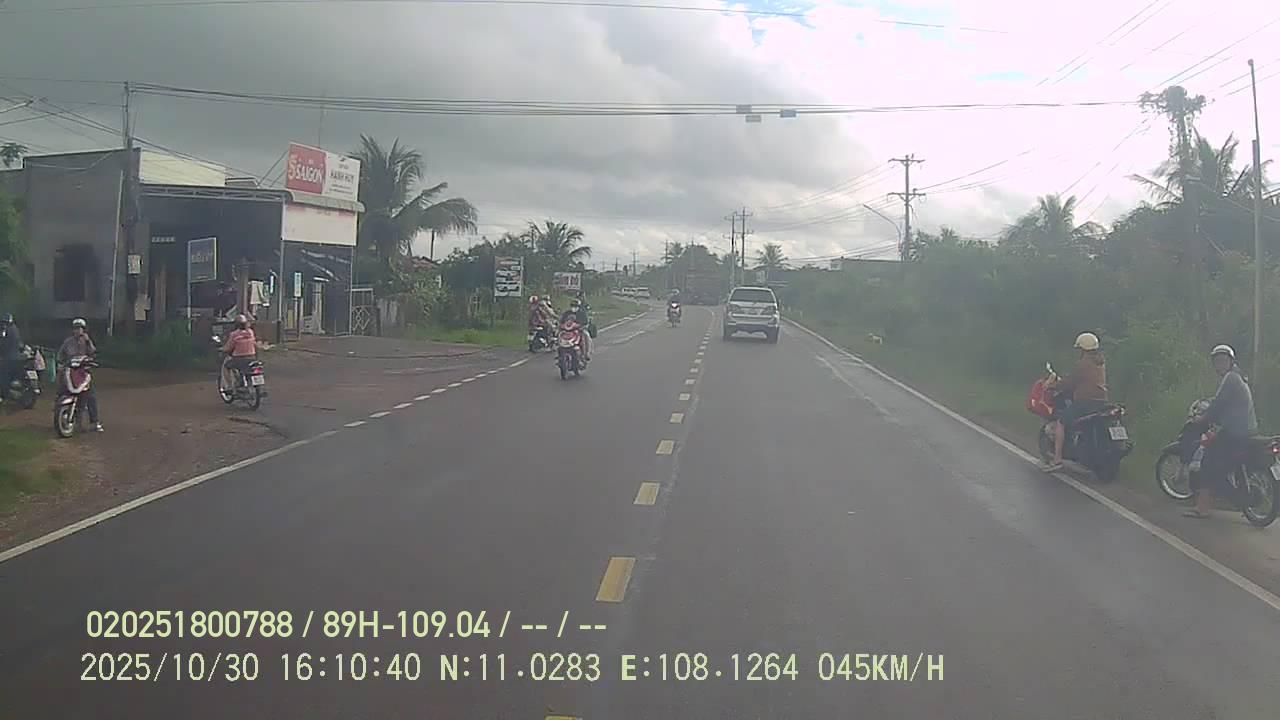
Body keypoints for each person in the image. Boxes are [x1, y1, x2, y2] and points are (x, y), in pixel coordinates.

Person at [1185, 344, 1257, 519]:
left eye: (1223, 361)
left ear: (1231, 361)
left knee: (1207, 463)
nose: (1220, 365)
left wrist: (1202, 419)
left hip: (1234, 432)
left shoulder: (1231, 378)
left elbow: (1217, 405)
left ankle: (1203, 508)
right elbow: (1221, 400)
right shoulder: (1238, 376)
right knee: (1218, 463)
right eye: (1217, 362)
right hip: (1246, 430)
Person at [1043, 332, 1109, 472]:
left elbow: (1070, 382)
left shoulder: (1082, 364)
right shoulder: (1100, 362)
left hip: (1085, 402)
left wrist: (1053, 385)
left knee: (1061, 422)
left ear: (1083, 349)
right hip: (1101, 401)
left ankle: (1057, 459)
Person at [56, 318, 102, 432]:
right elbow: (60, 355)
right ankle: (59, 410)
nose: (77, 330)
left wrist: (88, 343)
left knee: (91, 396)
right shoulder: (68, 342)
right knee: (62, 390)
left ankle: (95, 422)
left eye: (79, 328)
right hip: (70, 371)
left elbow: (93, 353)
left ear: (83, 330)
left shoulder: (87, 341)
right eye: (75, 328)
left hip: (83, 372)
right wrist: (60, 363)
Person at [221, 314, 259, 388]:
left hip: (238, 359)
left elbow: (229, 347)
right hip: (251, 357)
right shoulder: (250, 332)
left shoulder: (234, 334)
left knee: (226, 366)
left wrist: (222, 349)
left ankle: (229, 386)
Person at [0, 313, 22, 391]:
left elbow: (4, 343)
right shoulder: (15, 329)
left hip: (8, 358)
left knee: (4, 376)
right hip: (16, 357)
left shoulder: (7, 330)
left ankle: (4, 393)